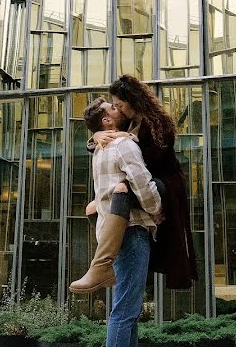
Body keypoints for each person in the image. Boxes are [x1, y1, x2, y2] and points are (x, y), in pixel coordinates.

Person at [92, 74, 198, 290]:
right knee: (94, 207)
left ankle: (102, 263)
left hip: (164, 183)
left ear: (132, 101)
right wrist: (95, 137)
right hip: (143, 182)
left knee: (121, 189)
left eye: (119, 104)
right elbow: (109, 138)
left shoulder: (157, 123)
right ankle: (104, 261)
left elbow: (148, 161)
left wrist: (126, 139)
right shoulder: (129, 121)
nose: (117, 109)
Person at [71, 97, 162, 347]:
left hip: (115, 232)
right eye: (113, 107)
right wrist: (156, 208)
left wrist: (94, 136)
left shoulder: (102, 147)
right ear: (107, 120)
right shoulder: (123, 144)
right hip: (131, 230)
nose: (118, 107)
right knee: (124, 312)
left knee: (128, 312)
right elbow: (141, 182)